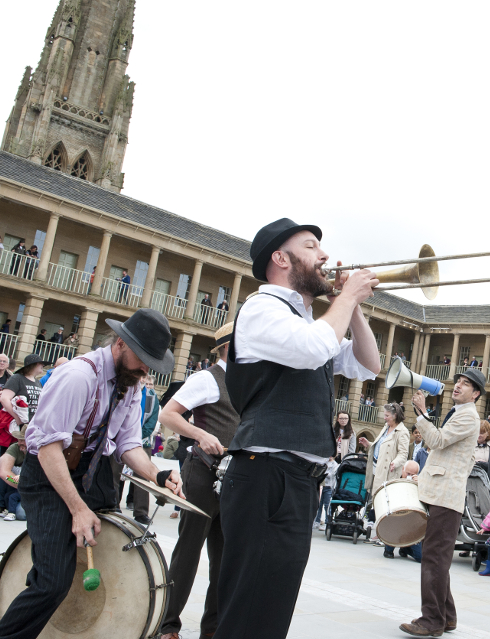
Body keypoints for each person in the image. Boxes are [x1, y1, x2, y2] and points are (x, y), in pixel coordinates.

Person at [215, 218, 380, 639]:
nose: (324, 255)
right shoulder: (262, 308)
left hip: (298, 480)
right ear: (281, 258)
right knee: (247, 610)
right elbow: (312, 349)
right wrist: (347, 297)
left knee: (272, 611)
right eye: (311, 246)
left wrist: (351, 305)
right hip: (266, 473)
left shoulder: (310, 322)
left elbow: (369, 365)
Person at [0, 308, 182, 639]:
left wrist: (156, 474)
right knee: (53, 581)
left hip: (95, 469)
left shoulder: (131, 382)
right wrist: (77, 509)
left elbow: (128, 443)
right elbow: (47, 449)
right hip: (49, 471)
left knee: (112, 555)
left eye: (152, 363)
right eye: (144, 359)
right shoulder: (78, 376)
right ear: (120, 343)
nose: (146, 370)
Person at [155, 322, 240, 639]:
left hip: (232, 478)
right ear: (229, 347)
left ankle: (212, 631)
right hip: (202, 472)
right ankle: (167, 626)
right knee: (188, 551)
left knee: (224, 560)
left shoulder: (246, 382)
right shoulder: (206, 378)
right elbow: (168, 414)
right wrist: (199, 434)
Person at [399, 368, 482, 637]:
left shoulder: (468, 416)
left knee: (434, 559)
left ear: (476, 394)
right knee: (437, 558)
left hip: (446, 497)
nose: (458, 385)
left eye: (465, 384)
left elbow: (436, 441)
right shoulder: (461, 413)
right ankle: (447, 617)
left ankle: (432, 621)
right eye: (458, 381)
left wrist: (422, 413)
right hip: (442, 494)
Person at [361, 403, 410, 556]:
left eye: (387, 415)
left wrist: (396, 462)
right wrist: (369, 444)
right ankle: (380, 533)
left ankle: (385, 535)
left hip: (388, 472)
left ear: (395, 415)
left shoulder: (402, 431)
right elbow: (380, 447)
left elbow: (403, 453)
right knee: (378, 504)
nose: (385, 418)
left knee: (386, 505)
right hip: (377, 469)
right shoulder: (385, 427)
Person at [129, 375, 161, 525]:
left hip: (143, 440)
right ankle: (112, 506)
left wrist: (136, 436)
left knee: (143, 476)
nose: (143, 381)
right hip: (121, 437)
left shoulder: (152, 398)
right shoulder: (126, 389)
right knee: (114, 472)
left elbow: (152, 422)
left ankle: (141, 512)